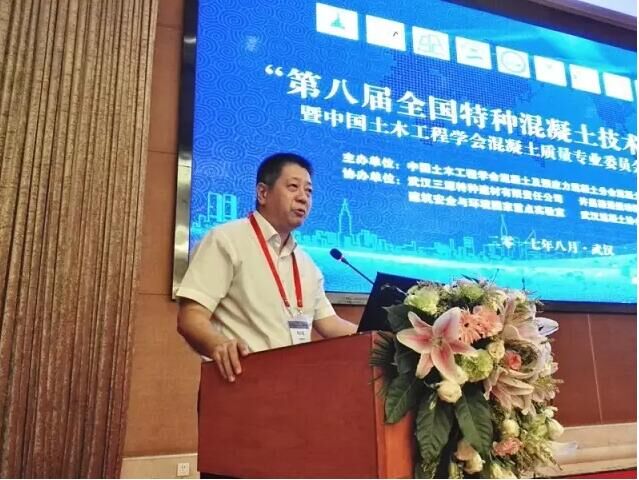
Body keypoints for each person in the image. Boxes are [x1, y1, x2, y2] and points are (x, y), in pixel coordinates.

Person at [176, 152, 357, 382]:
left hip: (295, 386)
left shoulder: (306, 264)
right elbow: (191, 316)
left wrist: (385, 336)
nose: (303, 198)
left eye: (309, 191)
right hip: (240, 383)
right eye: (293, 187)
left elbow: (331, 325)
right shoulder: (226, 240)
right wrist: (218, 345)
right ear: (263, 193)